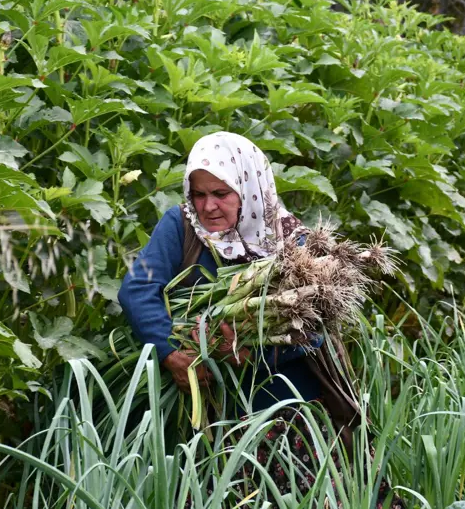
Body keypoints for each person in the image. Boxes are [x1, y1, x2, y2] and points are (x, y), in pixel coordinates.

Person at [117, 131, 323, 409]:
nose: (208, 206)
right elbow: (137, 289)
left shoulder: (292, 241)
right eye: (198, 194)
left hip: (280, 398)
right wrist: (171, 354)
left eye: (220, 193)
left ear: (248, 189)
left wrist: (250, 356)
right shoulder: (182, 225)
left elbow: (316, 327)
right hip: (203, 401)